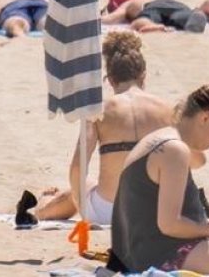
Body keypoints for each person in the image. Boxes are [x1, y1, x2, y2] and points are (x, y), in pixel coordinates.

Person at [107, 82, 209, 275]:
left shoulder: (163, 139)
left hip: (134, 253)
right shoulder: (173, 149)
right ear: (206, 117)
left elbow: (200, 160)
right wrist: (208, 229)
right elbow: (170, 224)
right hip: (163, 255)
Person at [35, 32, 174, 225]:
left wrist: (80, 203)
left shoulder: (98, 111)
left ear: (110, 79)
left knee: (78, 191)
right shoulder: (167, 109)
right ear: (143, 76)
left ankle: (41, 207)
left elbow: (77, 168)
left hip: (106, 211)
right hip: (154, 212)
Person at [102, 0, 209, 34]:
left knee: (140, 21)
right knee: (179, 16)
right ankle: (193, 15)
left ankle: (154, 26)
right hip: (178, 5)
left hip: (154, 6)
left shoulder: (130, 3)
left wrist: (102, 17)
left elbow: (109, 19)